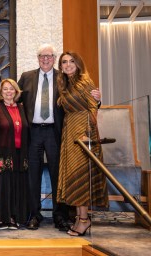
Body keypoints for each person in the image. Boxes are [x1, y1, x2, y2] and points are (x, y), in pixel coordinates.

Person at [18, 44, 101, 231]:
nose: (45, 59)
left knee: (59, 174)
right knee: (33, 175)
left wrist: (97, 99)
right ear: (37, 58)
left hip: (57, 132)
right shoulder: (26, 77)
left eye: (49, 56)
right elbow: (12, 99)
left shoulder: (63, 77)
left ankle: (60, 216)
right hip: (33, 133)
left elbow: (82, 99)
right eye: (42, 56)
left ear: (54, 59)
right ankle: (34, 215)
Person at [56, 51, 108, 236]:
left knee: (81, 176)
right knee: (74, 175)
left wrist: (87, 134)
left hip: (83, 133)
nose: (68, 65)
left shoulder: (85, 81)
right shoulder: (65, 84)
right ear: (60, 66)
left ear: (78, 64)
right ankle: (79, 217)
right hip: (69, 132)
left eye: (71, 61)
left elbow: (93, 108)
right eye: (64, 62)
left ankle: (84, 220)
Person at [0, 79, 29, 230]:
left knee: (17, 186)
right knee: (3, 186)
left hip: (20, 153)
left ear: (16, 91)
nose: (8, 92)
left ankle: (13, 217)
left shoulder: (22, 108)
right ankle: (0, 218)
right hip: (2, 153)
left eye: (11, 89)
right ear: (1, 92)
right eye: (5, 89)